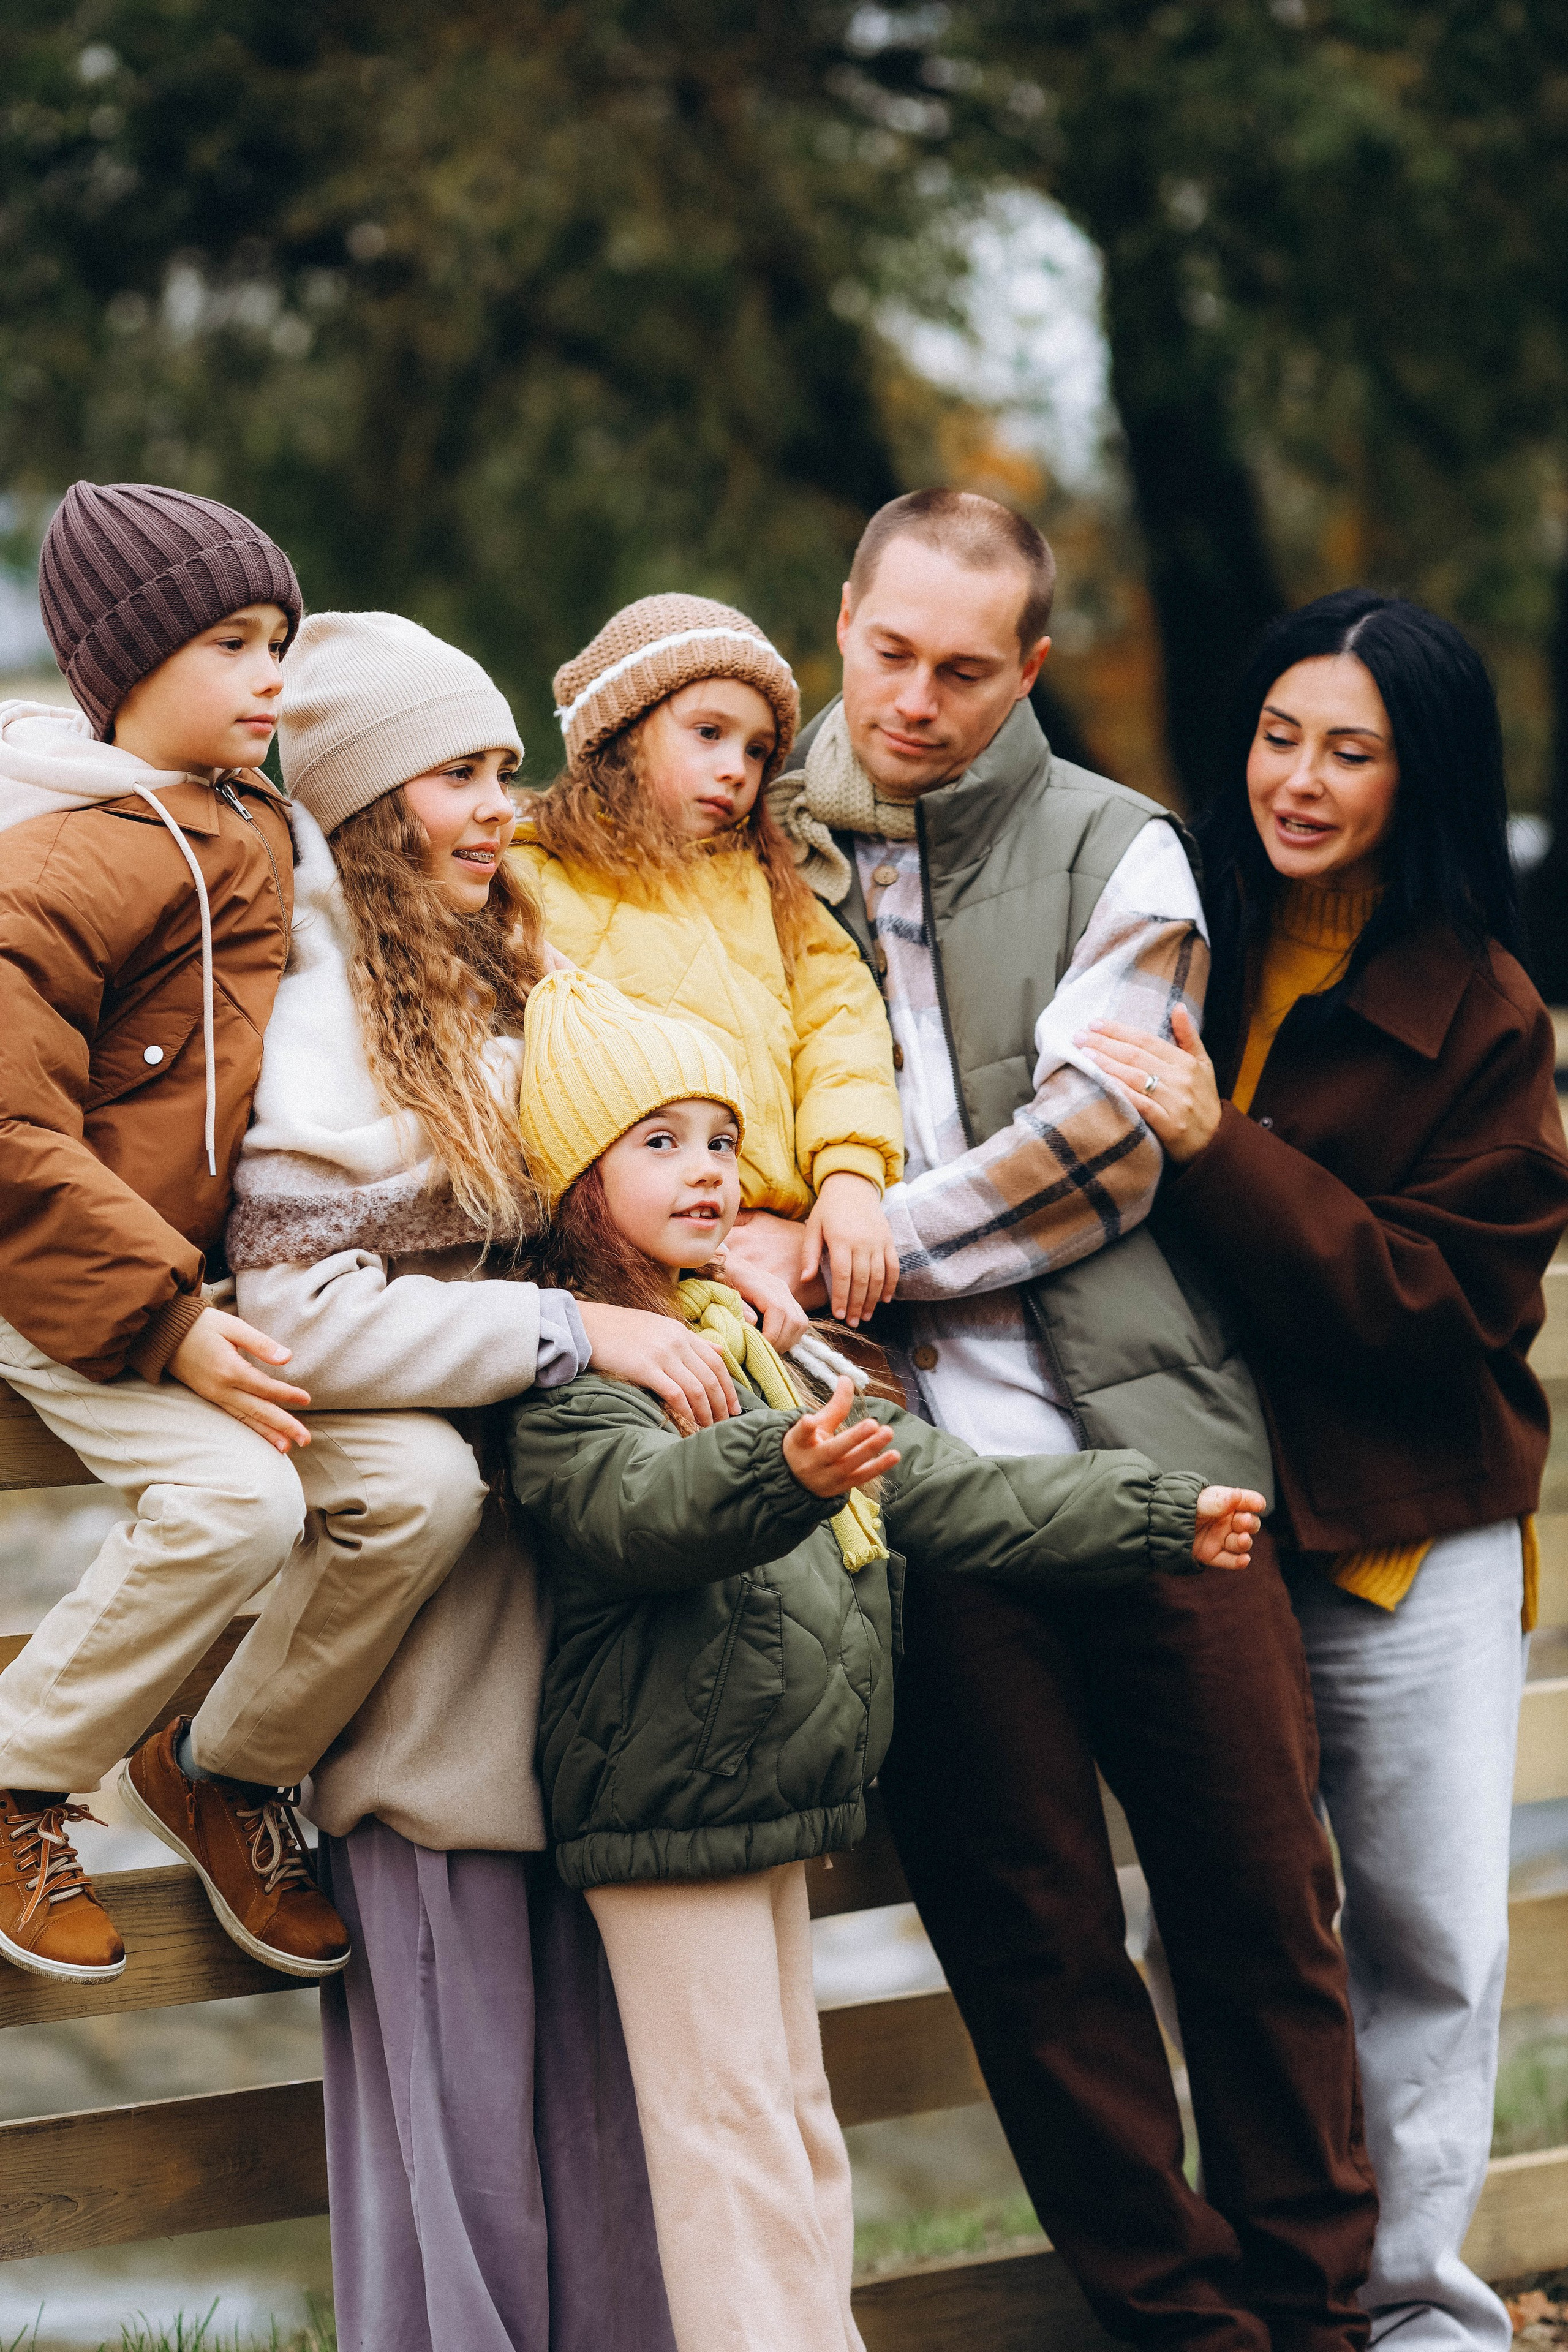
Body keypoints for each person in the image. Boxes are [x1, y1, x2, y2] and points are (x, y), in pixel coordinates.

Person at [730, 488, 1381, 2352]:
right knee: (1030, 1946)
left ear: (1026, 664)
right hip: (920, 1501)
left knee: (1262, 1911)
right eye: (885, 652)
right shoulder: (751, 851)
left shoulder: (1126, 848)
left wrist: (836, 1245)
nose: (916, 698)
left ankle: (1315, 2317)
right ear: (837, 620)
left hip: (1160, 1469)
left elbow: (1093, 1156)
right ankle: (1186, 2328)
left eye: (961, 666)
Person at [503, 964, 1265, 2352]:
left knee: (794, 2121)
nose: (709, 1172)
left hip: (760, 1799)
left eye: (723, 1140)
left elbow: (956, 1488)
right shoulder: (588, 1371)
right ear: (573, 1180)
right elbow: (635, 1513)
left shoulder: (755, 1342)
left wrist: (1156, 1511)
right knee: (726, 2141)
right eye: (658, 1143)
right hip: (662, 1813)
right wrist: (779, 1463)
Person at [211, 610, 708, 2349]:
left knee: (592, 2096)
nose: (500, 806)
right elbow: (301, 1311)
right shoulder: (326, 1011)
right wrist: (571, 1341)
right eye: (456, 776)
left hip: (560, 1633)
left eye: (507, 767)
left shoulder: (498, 965)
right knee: (460, 2097)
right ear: (359, 803)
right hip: (433, 1667)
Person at [1079, 587, 1568, 2352]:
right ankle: (1270, 2289)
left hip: (1406, 1539)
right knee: (1226, 1926)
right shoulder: (1163, 936)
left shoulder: (1490, 1013)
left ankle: (1420, 2306)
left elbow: (1438, 1301)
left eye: (1349, 752)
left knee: (1429, 1934)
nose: (1298, 779)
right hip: (1203, 1528)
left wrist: (1219, 1156)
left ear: (1416, 778)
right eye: (1281, 736)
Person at [0, 478, 353, 1982]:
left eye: (279, 636)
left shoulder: (256, 824)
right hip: (56, 1277)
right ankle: (21, 1775)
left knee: (421, 1493)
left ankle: (216, 1760)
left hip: (194, 1275)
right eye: (229, 641)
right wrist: (173, 1316)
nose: (273, 671)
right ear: (123, 671)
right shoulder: (62, 856)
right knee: (238, 1508)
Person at [516, 592, 902, 1338]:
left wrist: (850, 1180)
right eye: (708, 733)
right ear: (621, 730)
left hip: (791, 1270)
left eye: (758, 751)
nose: (735, 769)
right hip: (626, 1278)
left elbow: (842, 1031)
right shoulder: (536, 875)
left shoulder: (771, 885)